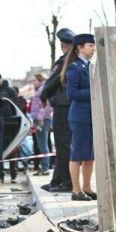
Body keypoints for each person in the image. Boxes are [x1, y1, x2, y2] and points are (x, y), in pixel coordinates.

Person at [39, 28, 75, 192]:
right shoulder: (73, 60)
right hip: (67, 107)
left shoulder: (65, 61)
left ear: (63, 45)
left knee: (63, 145)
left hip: (63, 107)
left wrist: (43, 97)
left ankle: (66, 182)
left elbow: (50, 83)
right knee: (62, 146)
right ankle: (58, 180)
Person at [64, 33, 96, 201]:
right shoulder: (74, 68)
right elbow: (72, 94)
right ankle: (76, 191)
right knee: (77, 155)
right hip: (80, 116)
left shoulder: (91, 66)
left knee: (90, 155)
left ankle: (87, 188)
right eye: (90, 45)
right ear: (80, 48)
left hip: (92, 116)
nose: (93, 48)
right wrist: (94, 91)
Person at [0, 75, 23, 182]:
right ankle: (1, 174)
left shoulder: (10, 90)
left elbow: (16, 106)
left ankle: (13, 173)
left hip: (10, 122)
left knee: (12, 149)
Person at [29, 73, 52, 175]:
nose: (33, 82)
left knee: (43, 144)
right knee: (40, 144)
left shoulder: (43, 89)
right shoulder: (39, 89)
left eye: (34, 80)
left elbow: (48, 105)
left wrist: (40, 117)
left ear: (39, 80)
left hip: (42, 120)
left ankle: (45, 168)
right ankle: (43, 167)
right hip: (38, 119)